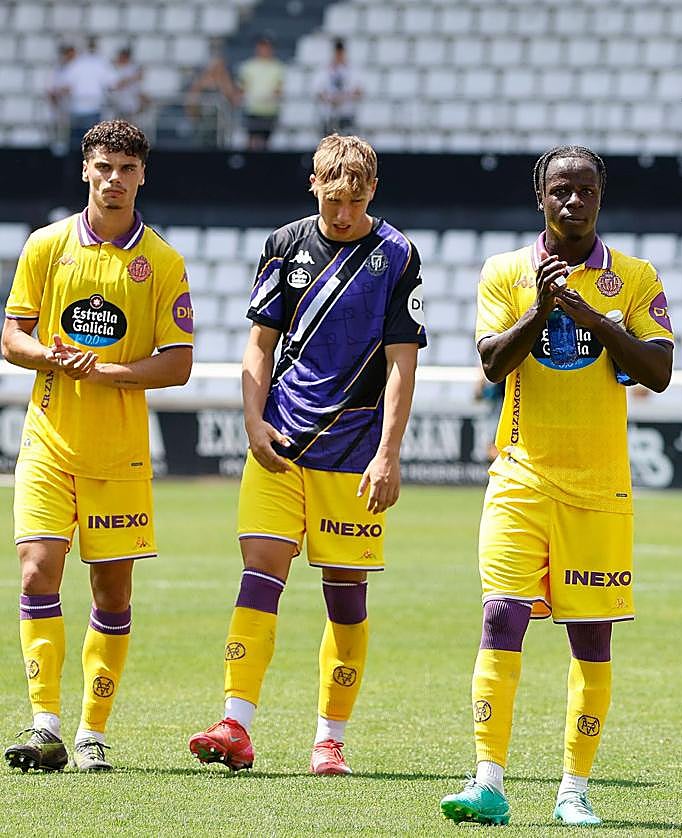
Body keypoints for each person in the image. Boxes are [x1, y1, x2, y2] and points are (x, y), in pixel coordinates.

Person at [438, 145, 673, 827]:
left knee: (590, 639)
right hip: (519, 474)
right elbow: (491, 363)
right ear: (540, 197)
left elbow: (656, 370)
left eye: (585, 191)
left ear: (601, 197)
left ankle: (575, 787)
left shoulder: (633, 277)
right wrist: (542, 309)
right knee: (500, 615)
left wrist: (595, 318)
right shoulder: (506, 271)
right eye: (560, 191)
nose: (572, 202)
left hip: (600, 487)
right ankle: (488, 779)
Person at [186, 135, 425, 775]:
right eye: (332, 197)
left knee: (344, 598)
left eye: (354, 199)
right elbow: (259, 345)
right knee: (260, 576)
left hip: (353, 454)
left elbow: (403, 365)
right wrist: (253, 423)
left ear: (371, 191)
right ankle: (236, 723)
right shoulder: (285, 245)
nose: (342, 212)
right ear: (313, 186)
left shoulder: (398, 255)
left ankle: (330, 738)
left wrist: (389, 454)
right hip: (280, 447)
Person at [1, 120, 194, 773]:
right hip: (49, 442)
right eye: (104, 167)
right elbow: (12, 337)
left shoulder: (163, 262)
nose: (114, 180)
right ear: (87, 169)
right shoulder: (46, 246)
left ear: (143, 175)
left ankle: (92, 732)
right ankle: (45, 723)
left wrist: (113, 372)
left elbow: (178, 364)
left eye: (126, 170)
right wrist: (52, 359)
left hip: (120, 456)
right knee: (35, 572)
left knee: (112, 594)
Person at [59, 39, 116, 150]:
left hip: (77, 108)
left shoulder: (77, 62)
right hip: (94, 108)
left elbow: (65, 86)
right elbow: (112, 85)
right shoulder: (102, 63)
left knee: (76, 146)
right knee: (93, 147)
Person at [184, 41, 240, 148]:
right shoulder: (201, 81)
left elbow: (233, 100)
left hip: (221, 124)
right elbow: (191, 100)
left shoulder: (225, 80)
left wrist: (221, 81)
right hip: (203, 122)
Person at [237, 35, 284, 151]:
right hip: (252, 110)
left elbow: (278, 89)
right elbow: (242, 88)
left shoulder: (278, 67)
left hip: (270, 111)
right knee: (251, 142)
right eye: (262, 46)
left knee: (266, 144)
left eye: (267, 47)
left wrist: (267, 97)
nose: (264, 49)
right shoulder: (247, 67)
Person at [316, 38, 362, 137]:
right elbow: (319, 92)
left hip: (347, 114)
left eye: (340, 52)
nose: (339, 55)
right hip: (329, 115)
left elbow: (359, 91)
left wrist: (342, 99)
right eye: (337, 52)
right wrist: (331, 100)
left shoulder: (352, 69)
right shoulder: (325, 69)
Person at [109, 47, 149, 123]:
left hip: (131, 106)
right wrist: (132, 78)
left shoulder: (132, 68)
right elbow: (116, 85)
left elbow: (140, 81)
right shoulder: (113, 69)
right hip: (117, 105)